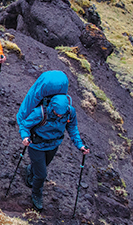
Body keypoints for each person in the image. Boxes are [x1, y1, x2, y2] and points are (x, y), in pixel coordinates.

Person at [15, 70, 89, 211]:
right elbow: (25, 125)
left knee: (41, 167)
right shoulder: (40, 112)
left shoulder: (69, 112)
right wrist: (25, 137)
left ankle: (30, 170)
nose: (59, 116)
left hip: (53, 145)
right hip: (36, 145)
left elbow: (72, 129)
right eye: (57, 113)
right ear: (52, 107)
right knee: (42, 174)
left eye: (62, 114)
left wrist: (80, 145)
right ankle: (36, 195)